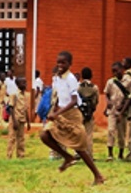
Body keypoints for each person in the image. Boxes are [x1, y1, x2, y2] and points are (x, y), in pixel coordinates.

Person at [39, 51, 105, 185]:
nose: (60, 65)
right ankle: (67, 157)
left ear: (70, 64)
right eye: (58, 62)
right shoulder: (57, 78)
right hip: (60, 113)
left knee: (79, 147)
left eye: (63, 62)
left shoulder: (71, 79)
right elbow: (59, 96)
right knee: (45, 135)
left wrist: (57, 113)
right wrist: (55, 109)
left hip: (72, 114)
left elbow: (74, 100)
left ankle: (98, 175)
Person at [104, 61, 128, 161]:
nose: (115, 73)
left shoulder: (128, 81)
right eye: (113, 71)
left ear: (122, 70)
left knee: (121, 133)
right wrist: (108, 102)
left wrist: (122, 111)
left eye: (116, 71)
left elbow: (129, 98)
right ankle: (110, 154)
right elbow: (106, 93)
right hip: (112, 110)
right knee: (111, 130)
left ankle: (121, 154)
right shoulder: (110, 82)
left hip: (122, 111)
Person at [77, 67, 99, 160]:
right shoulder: (94, 87)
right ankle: (89, 154)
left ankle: (78, 153)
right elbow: (96, 100)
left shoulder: (78, 87)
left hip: (80, 112)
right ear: (91, 76)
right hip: (89, 112)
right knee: (89, 134)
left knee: (79, 133)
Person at [6, 77, 30, 159]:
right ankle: (9, 155)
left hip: (22, 119)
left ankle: (21, 155)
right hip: (15, 119)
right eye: (23, 83)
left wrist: (28, 122)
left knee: (21, 138)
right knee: (12, 138)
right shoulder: (14, 95)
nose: (25, 84)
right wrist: (14, 120)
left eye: (25, 82)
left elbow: (26, 109)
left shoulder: (26, 95)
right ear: (18, 84)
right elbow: (11, 108)